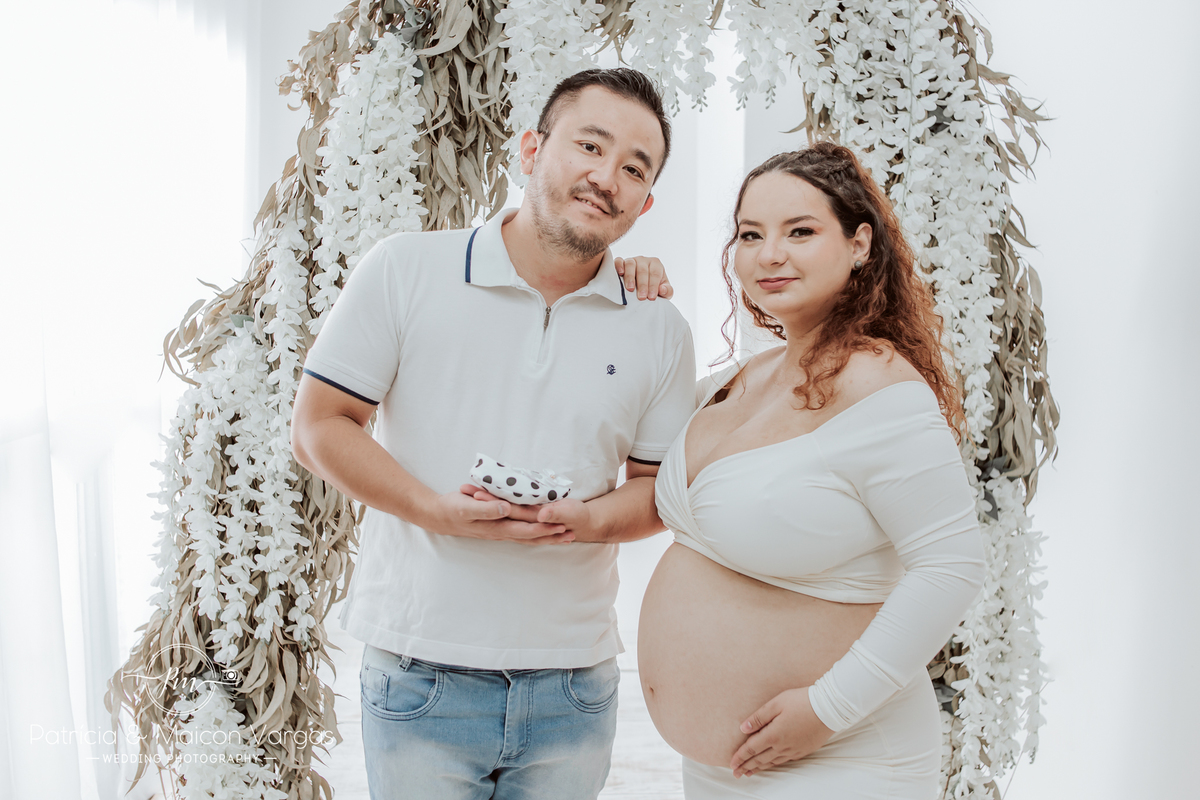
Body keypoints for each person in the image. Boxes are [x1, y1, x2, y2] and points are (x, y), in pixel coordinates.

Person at [291, 68, 692, 800]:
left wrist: (587, 520)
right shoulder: (405, 268)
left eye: (634, 169)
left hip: (575, 682)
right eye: (590, 146)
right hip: (419, 670)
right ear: (532, 149)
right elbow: (319, 425)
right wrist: (432, 510)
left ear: (646, 201)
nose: (607, 178)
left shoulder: (659, 326)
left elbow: (655, 492)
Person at [636, 143, 987, 798]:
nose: (769, 254)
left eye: (800, 231)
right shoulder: (747, 374)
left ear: (859, 244)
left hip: (841, 758)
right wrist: (625, 293)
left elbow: (953, 565)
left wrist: (829, 709)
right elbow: (625, 425)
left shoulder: (879, 385)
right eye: (750, 234)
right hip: (721, 770)